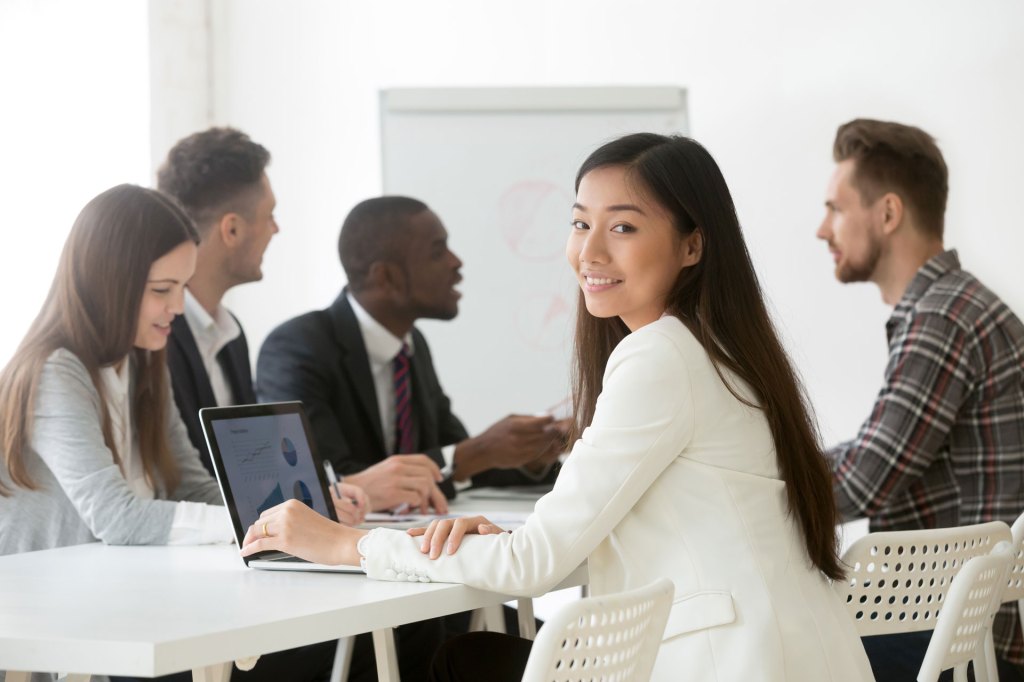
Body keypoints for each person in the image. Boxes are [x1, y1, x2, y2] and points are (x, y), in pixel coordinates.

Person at [240, 133, 875, 681]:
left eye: (623, 226)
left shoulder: (661, 358)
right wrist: (510, 538)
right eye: (580, 223)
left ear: (692, 245)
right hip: (783, 651)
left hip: (722, 662)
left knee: (457, 661)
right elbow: (565, 546)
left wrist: (346, 545)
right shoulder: (724, 349)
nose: (590, 251)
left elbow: (538, 565)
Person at [816, 118, 1024, 681]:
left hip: (963, 643)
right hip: (963, 626)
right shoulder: (955, 308)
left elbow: (857, 484)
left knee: (781, 657)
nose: (821, 229)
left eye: (835, 208)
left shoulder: (942, 320)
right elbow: (870, 453)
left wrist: (749, 479)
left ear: (887, 214)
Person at [156, 127, 366, 682]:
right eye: (269, 215)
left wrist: (318, 502)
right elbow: (175, 483)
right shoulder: (156, 339)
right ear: (230, 229)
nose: (276, 228)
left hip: (243, 575)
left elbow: (250, 471)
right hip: (187, 598)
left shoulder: (230, 335)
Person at [256, 196, 565, 514]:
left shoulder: (410, 346)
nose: (455, 262)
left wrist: (532, 454)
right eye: (437, 251)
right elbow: (326, 480)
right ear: (385, 277)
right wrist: (474, 453)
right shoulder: (297, 348)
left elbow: (458, 458)